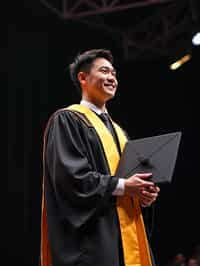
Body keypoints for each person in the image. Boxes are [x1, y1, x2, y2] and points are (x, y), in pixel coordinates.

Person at [40, 48, 160, 266]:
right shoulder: (68, 120)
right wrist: (124, 186)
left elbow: (127, 184)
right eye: (104, 71)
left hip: (125, 239)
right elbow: (71, 179)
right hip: (94, 242)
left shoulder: (119, 132)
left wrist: (142, 195)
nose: (112, 78)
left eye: (114, 73)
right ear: (83, 77)